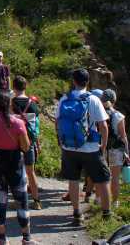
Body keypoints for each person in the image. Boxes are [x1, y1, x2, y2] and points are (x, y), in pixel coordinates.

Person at [56, 68, 111, 225]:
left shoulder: (64, 99)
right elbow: (103, 126)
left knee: (73, 181)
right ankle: (106, 215)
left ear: (73, 81)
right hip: (91, 148)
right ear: (88, 82)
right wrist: (103, 146)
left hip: (69, 148)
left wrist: (62, 142)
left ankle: (76, 214)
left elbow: (58, 123)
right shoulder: (93, 99)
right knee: (103, 179)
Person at [0, 89, 37, 245]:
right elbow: (26, 147)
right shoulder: (18, 123)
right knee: (21, 199)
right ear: (9, 104)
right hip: (14, 164)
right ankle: (26, 237)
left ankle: (1, 238)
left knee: (0, 200)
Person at [11, 75, 42, 210]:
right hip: (30, 141)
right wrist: (37, 143)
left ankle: (19, 201)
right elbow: (35, 126)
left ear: (13, 86)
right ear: (25, 87)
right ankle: (36, 201)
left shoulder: (11, 104)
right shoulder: (33, 104)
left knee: (15, 172)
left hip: (14, 142)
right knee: (30, 172)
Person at [101, 89, 129, 208]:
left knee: (102, 176)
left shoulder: (97, 113)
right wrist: (127, 152)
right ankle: (115, 202)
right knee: (115, 177)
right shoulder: (118, 115)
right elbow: (123, 137)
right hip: (115, 149)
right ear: (114, 100)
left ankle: (99, 200)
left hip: (100, 147)